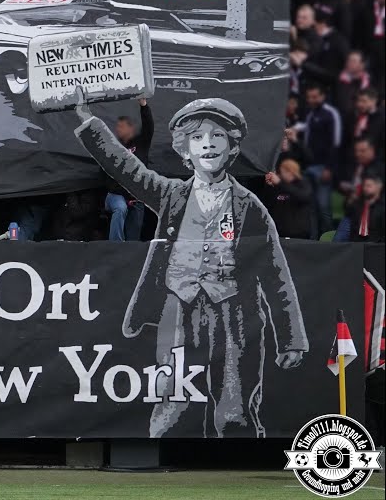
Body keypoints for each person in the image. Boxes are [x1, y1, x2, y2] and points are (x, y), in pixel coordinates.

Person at [75, 92, 307, 437]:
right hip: (178, 308)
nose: (208, 145)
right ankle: (165, 460)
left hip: (235, 314)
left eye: (217, 136)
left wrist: (291, 340)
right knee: (172, 396)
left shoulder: (251, 206)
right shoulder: (170, 194)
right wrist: (87, 119)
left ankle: (235, 470)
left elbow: (275, 272)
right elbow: (126, 167)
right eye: (197, 137)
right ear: (185, 149)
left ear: (232, 146)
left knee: (234, 404)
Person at [102, 98, 154, 241]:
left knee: (133, 238)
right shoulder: (115, 150)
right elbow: (106, 175)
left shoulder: (141, 143)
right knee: (120, 208)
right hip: (116, 195)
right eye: (117, 127)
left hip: (137, 198)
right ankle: (115, 244)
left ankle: (127, 252)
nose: (118, 129)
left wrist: (143, 105)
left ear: (131, 128)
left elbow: (149, 126)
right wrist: (123, 193)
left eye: (122, 126)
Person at [299, 84, 342, 234]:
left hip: (323, 167)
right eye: (309, 97)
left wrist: (329, 168)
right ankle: (314, 240)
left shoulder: (330, 114)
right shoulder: (310, 114)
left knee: (324, 207)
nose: (311, 100)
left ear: (323, 97)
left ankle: (328, 239)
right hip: (308, 167)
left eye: (315, 97)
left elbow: (336, 143)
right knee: (311, 207)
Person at [262, 159, 316, 240]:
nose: (281, 175)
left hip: (299, 233)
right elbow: (268, 203)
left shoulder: (303, 183)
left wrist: (279, 183)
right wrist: (271, 187)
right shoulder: (279, 186)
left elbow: (303, 197)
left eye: (283, 172)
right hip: (279, 233)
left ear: (291, 172)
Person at [342, 173, 384, 243]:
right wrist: (351, 198)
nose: (365, 188)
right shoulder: (357, 205)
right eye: (364, 186)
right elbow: (347, 212)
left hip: (375, 246)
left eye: (369, 186)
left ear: (378, 187)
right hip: (356, 245)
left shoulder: (382, 207)